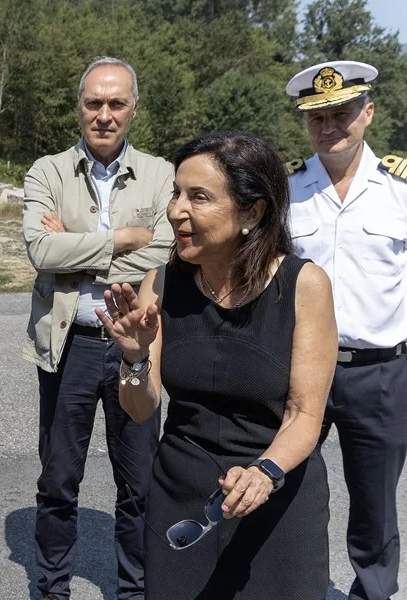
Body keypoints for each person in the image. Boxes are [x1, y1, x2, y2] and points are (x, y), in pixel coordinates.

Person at [95, 132, 337, 599]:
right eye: (176, 193)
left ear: (252, 211)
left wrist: (264, 472)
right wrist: (135, 357)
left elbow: (305, 415)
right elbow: (141, 409)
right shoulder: (160, 282)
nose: (176, 210)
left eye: (198, 197)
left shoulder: (305, 285)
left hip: (277, 497)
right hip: (181, 497)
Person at [22, 56, 173, 600]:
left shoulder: (162, 175)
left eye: (116, 103)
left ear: (134, 109)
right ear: (79, 108)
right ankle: (52, 587)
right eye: (94, 103)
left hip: (137, 346)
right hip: (71, 348)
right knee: (58, 482)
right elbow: (39, 248)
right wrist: (122, 239)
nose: (104, 114)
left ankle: (135, 591)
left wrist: (76, 247)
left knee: (139, 484)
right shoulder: (47, 172)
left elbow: (169, 246)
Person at [285, 60, 407, 600]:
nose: (332, 125)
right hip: (300, 368)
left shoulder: (400, 189)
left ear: (368, 113)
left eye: (343, 113)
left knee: (375, 507)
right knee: (288, 490)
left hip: (379, 373)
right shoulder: (287, 189)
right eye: (319, 117)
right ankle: (290, 587)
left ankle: (372, 595)